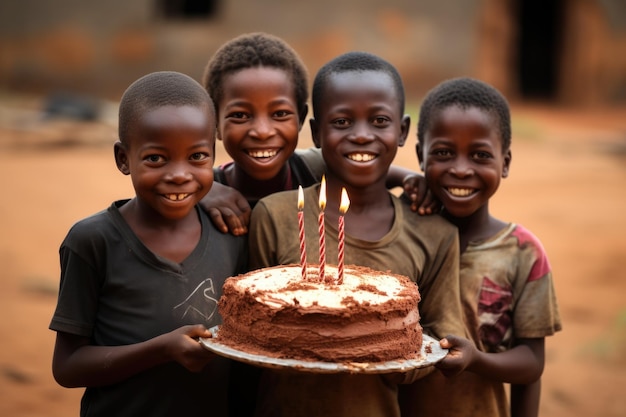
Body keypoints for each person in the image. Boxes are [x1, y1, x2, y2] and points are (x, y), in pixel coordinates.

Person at [247, 51, 465, 417]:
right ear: (317, 133)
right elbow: (251, 327)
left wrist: (376, 350)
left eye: (379, 120)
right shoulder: (275, 215)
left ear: (403, 130)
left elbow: (442, 338)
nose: (361, 135)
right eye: (343, 121)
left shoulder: (434, 233)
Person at [49, 71, 248, 417]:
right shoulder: (93, 241)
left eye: (197, 157)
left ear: (214, 156)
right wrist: (162, 350)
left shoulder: (229, 232)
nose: (179, 174)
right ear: (123, 159)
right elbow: (67, 367)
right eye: (156, 158)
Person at [399, 77, 562, 417]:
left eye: (480, 155)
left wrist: (477, 360)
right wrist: (400, 179)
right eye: (443, 153)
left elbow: (531, 364)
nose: (461, 169)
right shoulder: (399, 233)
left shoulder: (522, 253)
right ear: (420, 156)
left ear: (505, 163)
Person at [199, 32, 432, 236]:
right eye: (240, 116)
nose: (262, 131)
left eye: (279, 113)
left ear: (301, 119)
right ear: (215, 124)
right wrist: (203, 192)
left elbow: (362, 160)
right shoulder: (208, 186)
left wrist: (407, 179)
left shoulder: (309, 168)